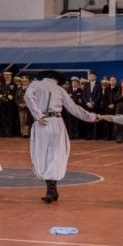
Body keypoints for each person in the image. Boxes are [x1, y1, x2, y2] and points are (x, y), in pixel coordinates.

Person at [24, 70, 99, 203]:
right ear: (56, 79)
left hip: (42, 122)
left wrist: (38, 115)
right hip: (56, 122)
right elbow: (73, 108)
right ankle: (52, 190)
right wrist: (92, 117)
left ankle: (51, 190)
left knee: (42, 155)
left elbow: (28, 97)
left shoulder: (35, 84)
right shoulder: (59, 89)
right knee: (56, 154)